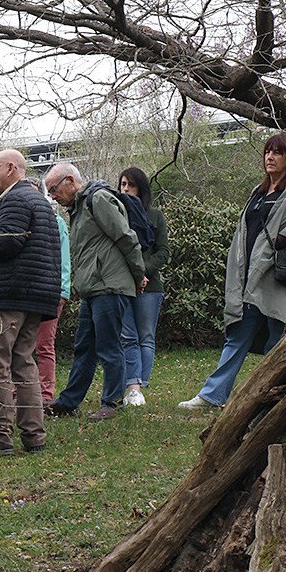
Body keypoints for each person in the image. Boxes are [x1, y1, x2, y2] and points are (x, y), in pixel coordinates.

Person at [180, 132, 286, 411]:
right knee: (237, 336)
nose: (269, 157)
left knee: (276, 341)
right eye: (267, 151)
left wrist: (274, 243)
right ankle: (211, 396)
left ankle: (269, 398)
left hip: (277, 279)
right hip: (249, 279)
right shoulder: (258, 192)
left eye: (277, 152)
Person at [0, 149, 63, 456]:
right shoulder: (40, 202)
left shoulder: (15, 199)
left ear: (11, 168)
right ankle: (34, 437)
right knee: (24, 364)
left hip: (5, 297)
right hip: (33, 298)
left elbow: (8, 240)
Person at [43, 161, 146, 422]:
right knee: (84, 347)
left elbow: (126, 237)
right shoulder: (78, 208)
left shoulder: (98, 199)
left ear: (69, 181)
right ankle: (68, 403)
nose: (53, 197)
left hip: (109, 286)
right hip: (93, 289)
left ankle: (113, 404)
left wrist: (138, 275)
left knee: (110, 347)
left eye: (54, 190)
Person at [118, 167, 171, 406]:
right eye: (122, 184)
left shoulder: (155, 216)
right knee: (127, 336)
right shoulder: (117, 215)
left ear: (142, 188)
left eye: (130, 184)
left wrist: (144, 272)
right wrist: (132, 274)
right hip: (123, 283)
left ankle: (139, 386)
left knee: (145, 337)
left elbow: (163, 252)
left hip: (150, 287)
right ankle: (133, 386)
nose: (125, 189)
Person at [34, 204, 71, 403]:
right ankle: (19, 392)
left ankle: (45, 394)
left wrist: (63, 290)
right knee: (19, 346)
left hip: (50, 292)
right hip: (23, 294)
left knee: (44, 344)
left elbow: (64, 259)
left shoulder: (57, 222)